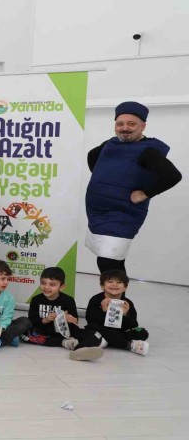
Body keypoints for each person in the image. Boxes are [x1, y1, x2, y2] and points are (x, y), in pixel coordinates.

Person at [85, 101, 182, 274]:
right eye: (120, 124)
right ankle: (119, 293)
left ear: (143, 126)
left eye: (131, 124)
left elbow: (173, 176)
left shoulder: (148, 150)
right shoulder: (110, 144)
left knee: (107, 261)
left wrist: (145, 193)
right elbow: (92, 155)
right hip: (97, 213)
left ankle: (112, 292)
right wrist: (102, 180)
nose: (124, 128)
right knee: (114, 261)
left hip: (123, 214)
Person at [25, 267, 103, 361]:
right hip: (45, 332)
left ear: (62, 287)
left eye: (52, 284)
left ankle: (79, 350)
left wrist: (66, 318)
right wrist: (45, 320)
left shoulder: (68, 300)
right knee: (24, 333)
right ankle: (65, 343)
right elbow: (31, 320)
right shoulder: (36, 299)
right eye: (43, 283)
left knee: (96, 335)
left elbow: (75, 321)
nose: (46, 287)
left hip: (66, 332)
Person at [84, 269, 149, 356]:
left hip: (120, 331)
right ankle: (129, 345)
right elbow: (90, 319)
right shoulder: (96, 300)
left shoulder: (127, 303)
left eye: (119, 282)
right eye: (110, 282)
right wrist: (104, 311)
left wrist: (125, 315)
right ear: (102, 286)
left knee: (142, 332)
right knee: (94, 330)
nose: (114, 284)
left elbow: (133, 325)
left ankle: (106, 342)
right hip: (102, 329)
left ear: (125, 287)